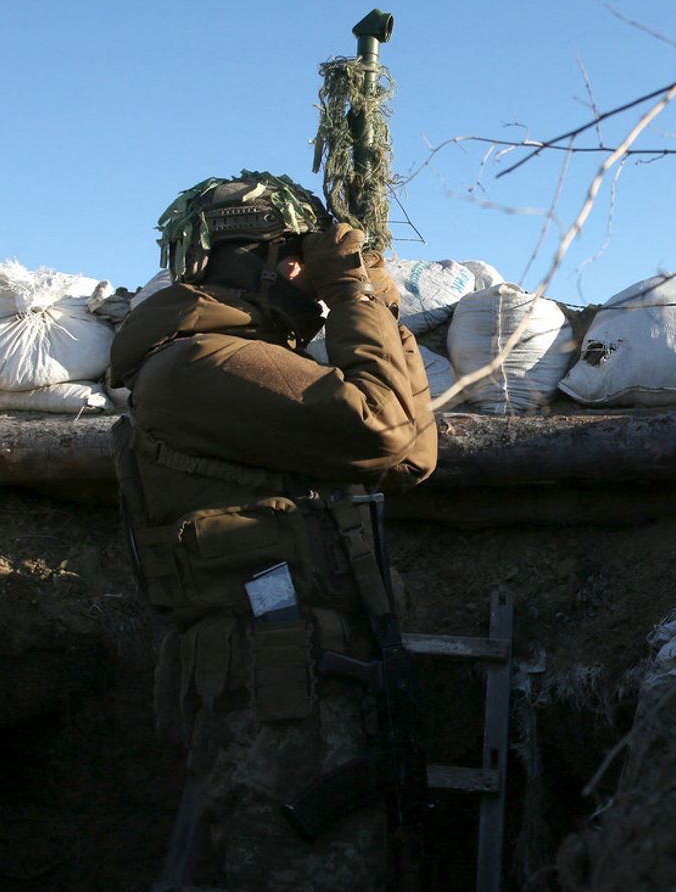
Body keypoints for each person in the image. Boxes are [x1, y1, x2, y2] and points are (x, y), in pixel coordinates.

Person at [108, 170, 437, 890]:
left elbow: (410, 453)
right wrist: (351, 294)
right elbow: (378, 425)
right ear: (279, 262)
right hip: (272, 686)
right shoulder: (199, 360)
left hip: (299, 674)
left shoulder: (248, 361)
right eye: (302, 258)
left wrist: (373, 299)